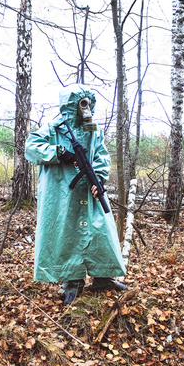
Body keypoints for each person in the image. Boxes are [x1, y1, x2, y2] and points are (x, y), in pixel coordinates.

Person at [25, 84, 127, 304]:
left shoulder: (94, 130)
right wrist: (58, 153)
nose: (84, 107)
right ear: (71, 104)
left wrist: (98, 177)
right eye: (80, 103)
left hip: (89, 190)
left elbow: (101, 155)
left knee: (101, 232)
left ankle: (103, 277)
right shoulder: (54, 128)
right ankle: (73, 282)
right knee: (68, 235)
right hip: (62, 193)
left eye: (87, 102)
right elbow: (31, 146)